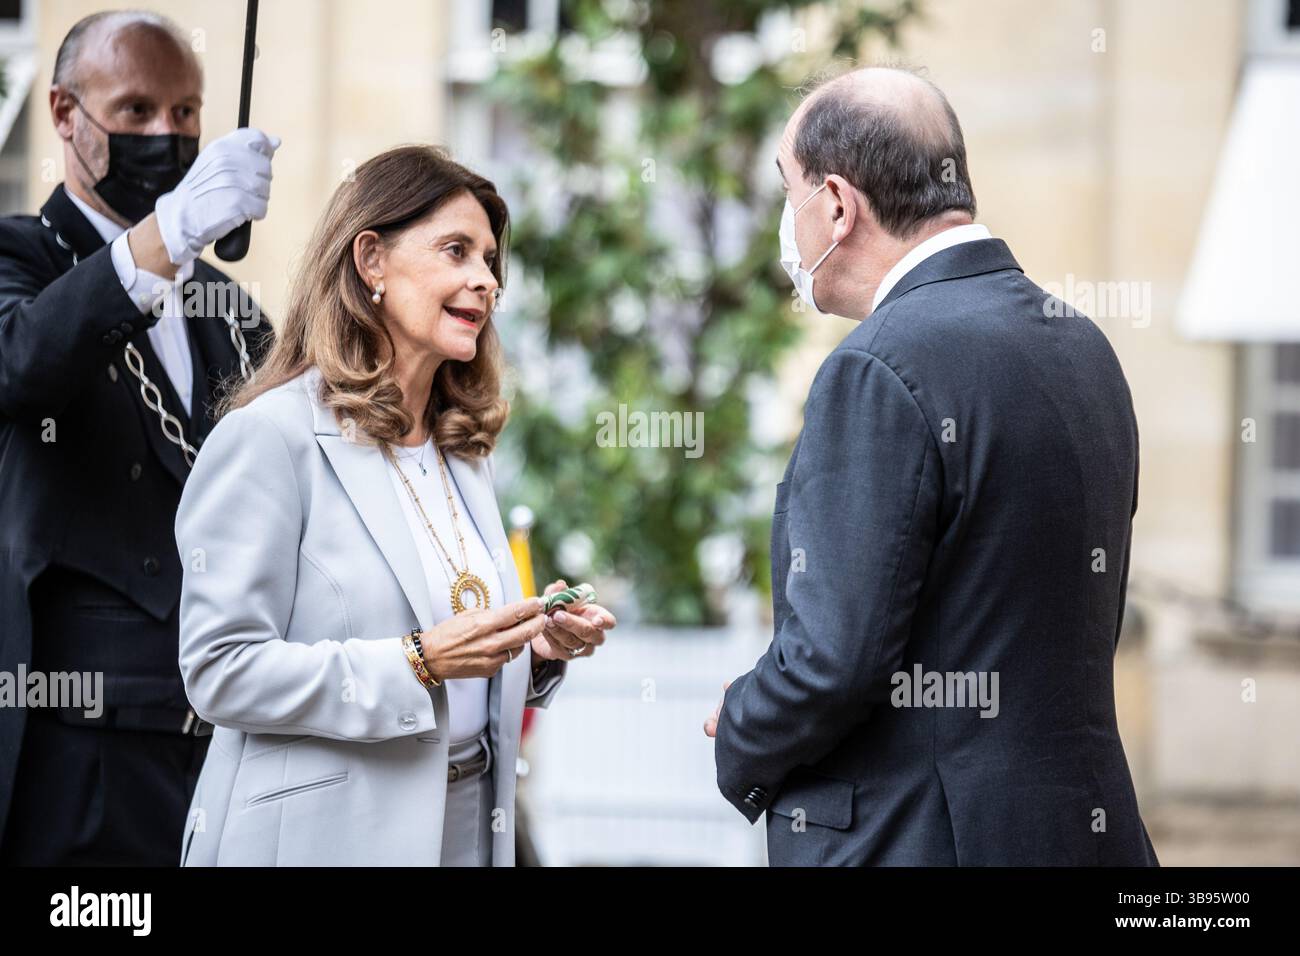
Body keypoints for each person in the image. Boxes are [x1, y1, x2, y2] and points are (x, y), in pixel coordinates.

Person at [705, 66, 1158, 866]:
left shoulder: (876, 366)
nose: (787, 224)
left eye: (788, 192)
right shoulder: (1082, 344)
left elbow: (831, 664)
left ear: (838, 205)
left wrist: (741, 721)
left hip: (924, 839)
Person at [173, 144, 616, 866]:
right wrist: (414, 662)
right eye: (457, 251)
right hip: (326, 841)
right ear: (370, 259)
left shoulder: (461, 450)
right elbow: (220, 670)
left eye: (490, 261)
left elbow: (456, 654)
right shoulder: (270, 439)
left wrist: (533, 647)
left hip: (469, 825)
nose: (485, 280)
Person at [0, 10, 277, 865]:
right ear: (64, 114)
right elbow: (25, 361)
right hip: (71, 747)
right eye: (136, 112)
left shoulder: (228, 310)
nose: (168, 134)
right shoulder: (20, 256)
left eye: (187, 113)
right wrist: (164, 238)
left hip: (215, 746)